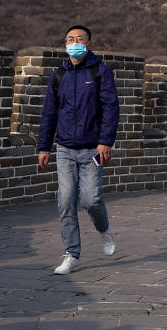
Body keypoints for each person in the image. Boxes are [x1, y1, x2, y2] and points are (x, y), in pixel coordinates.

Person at [38, 24, 119, 275]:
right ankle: (71, 254)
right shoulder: (58, 75)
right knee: (65, 201)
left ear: (89, 44)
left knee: (91, 199)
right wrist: (44, 146)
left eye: (80, 39)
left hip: (92, 149)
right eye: (70, 39)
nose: (75, 42)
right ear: (65, 44)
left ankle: (104, 230)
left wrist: (105, 141)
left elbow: (111, 109)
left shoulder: (100, 72)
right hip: (64, 148)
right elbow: (49, 112)